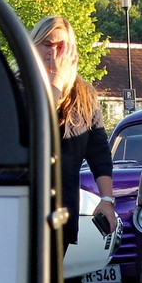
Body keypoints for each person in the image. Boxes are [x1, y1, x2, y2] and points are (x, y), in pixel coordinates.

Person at [30, 16, 116, 244]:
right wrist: (56, 79)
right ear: (34, 46)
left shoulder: (84, 95)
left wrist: (107, 199)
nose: (54, 53)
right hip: (21, 205)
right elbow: (38, 125)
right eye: (47, 44)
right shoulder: (19, 84)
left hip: (61, 209)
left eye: (61, 47)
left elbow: (99, 154)